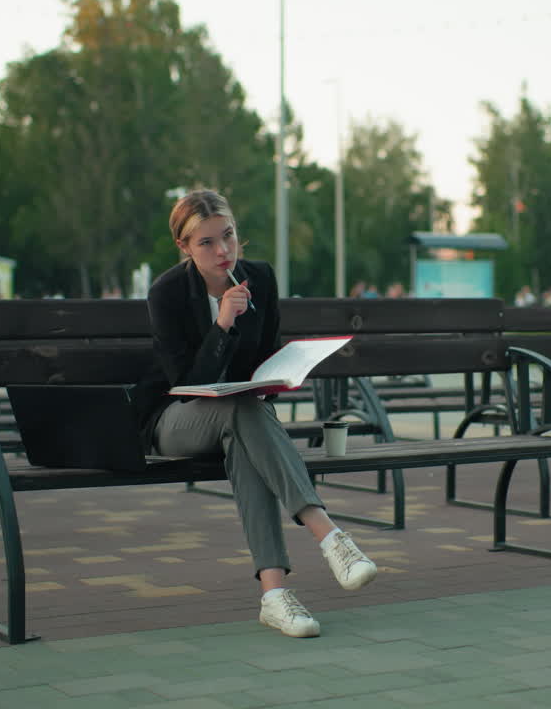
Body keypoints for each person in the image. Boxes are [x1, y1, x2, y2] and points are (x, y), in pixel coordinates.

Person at [139, 188, 377, 638]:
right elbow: (186, 381)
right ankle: (329, 535)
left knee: (245, 436)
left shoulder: (260, 279)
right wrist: (223, 324)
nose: (223, 250)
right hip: (172, 419)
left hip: (240, 416)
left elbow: (263, 361)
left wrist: (281, 375)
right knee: (239, 413)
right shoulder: (167, 292)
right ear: (185, 248)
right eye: (206, 242)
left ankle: (274, 596)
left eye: (227, 235)